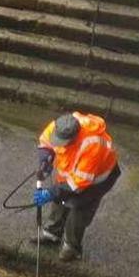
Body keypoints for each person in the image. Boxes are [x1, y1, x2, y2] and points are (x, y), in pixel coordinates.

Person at [32, 112, 121, 262]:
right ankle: (52, 233)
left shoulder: (92, 144)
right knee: (59, 198)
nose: (58, 144)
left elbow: (78, 184)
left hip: (96, 180)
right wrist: (44, 159)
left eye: (62, 142)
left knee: (79, 208)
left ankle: (72, 247)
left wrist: (52, 192)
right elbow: (45, 142)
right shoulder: (59, 126)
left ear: (73, 139)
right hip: (72, 174)